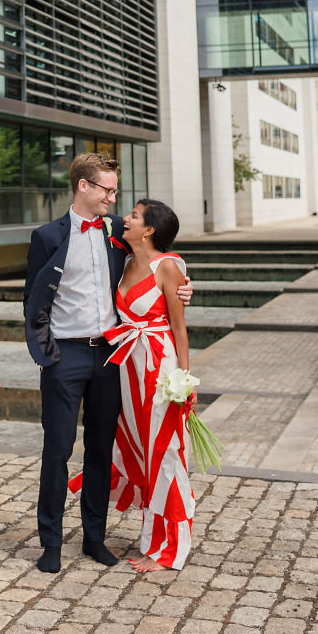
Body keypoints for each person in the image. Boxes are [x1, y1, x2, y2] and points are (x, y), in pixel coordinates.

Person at [23, 153, 192, 573]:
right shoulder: (47, 236)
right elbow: (32, 300)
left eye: (115, 191)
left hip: (111, 356)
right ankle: (50, 543)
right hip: (66, 355)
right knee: (57, 451)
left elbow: (159, 258)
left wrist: (186, 290)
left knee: (101, 449)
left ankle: (94, 539)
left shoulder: (118, 231)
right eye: (107, 189)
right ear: (83, 186)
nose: (112, 198)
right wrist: (46, 354)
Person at [103, 197, 195, 572]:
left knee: (165, 454)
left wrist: (184, 380)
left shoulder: (168, 267)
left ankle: (171, 548)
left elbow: (179, 326)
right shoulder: (124, 261)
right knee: (142, 454)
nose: (125, 218)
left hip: (160, 370)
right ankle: (150, 540)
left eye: (134, 216)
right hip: (128, 371)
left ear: (150, 228)